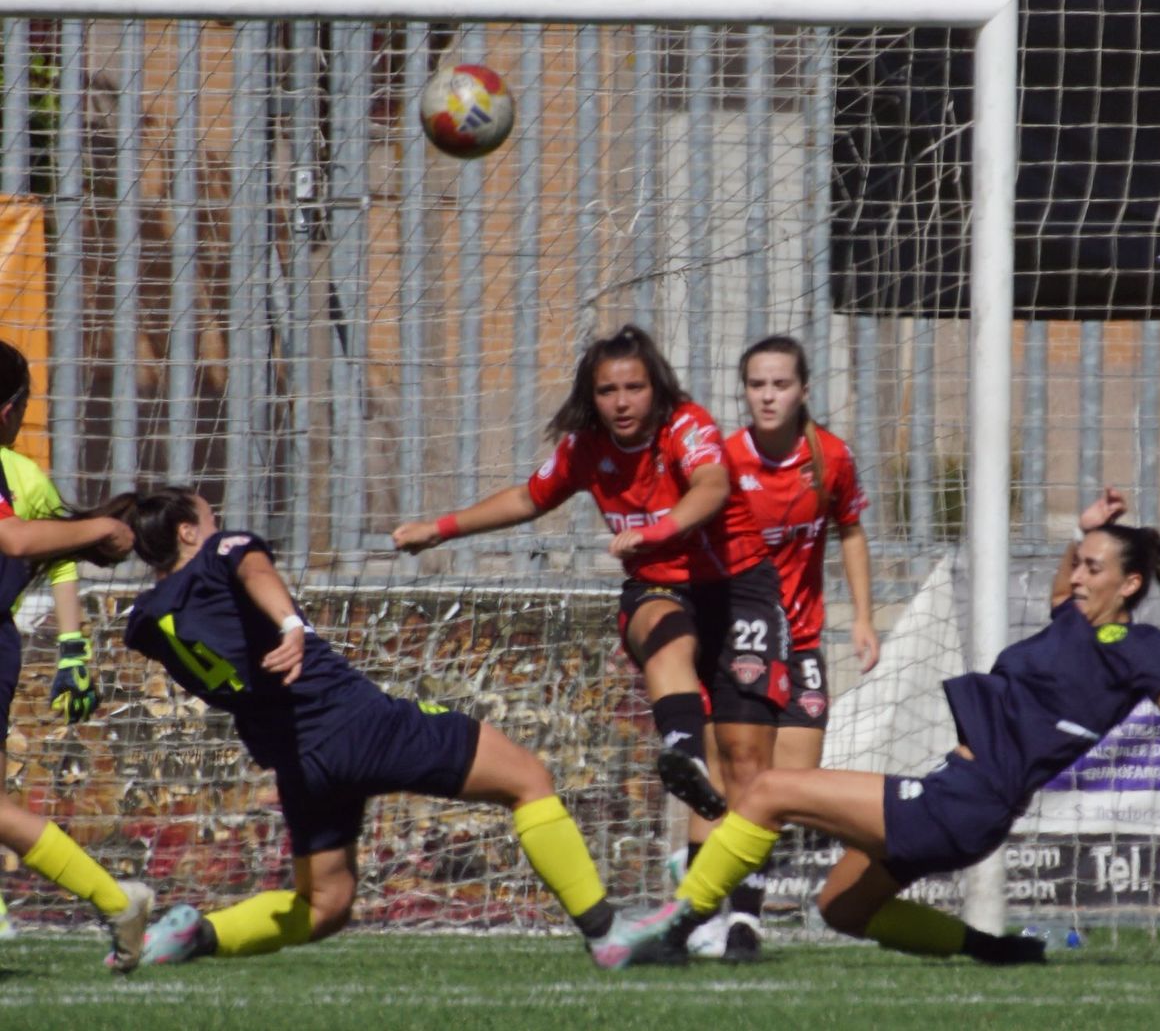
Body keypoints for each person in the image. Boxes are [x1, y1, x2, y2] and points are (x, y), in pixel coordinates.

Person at [601, 489, 1160, 968]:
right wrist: (1083, 530)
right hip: (960, 797)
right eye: (1078, 564)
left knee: (768, 791)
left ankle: (675, 924)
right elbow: (1060, 594)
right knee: (840, 909)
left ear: (1132, 584)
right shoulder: (1073, 622)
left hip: (963, 803)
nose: (1077, 576)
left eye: (1093, 567)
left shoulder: (1142, 652)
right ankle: (993, 949)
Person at [111, 487, 632, 967]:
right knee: (527, 779)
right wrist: (291, 625)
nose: (218, 524)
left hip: (299, 759)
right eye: (208, 517)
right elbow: (255, 571)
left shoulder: (145, 622)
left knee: (325, 905)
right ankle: (607, 935)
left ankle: (196, 935)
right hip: (355, 722)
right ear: (186, 532)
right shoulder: (221, 552)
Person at [392, 325, 791, 833]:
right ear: (591, 396)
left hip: (738, 587)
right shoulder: (585, 448)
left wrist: (660, 529)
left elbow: (711, 485)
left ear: (656, 388)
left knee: (745, 759)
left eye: (634, 388)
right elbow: (527, 499)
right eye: (607, 391)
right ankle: (684, 756)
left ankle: (744, 913)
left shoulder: (686, 427)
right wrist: (440, 529)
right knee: (665, 635)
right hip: (659, 585)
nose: (622, 403)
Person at [679, 335, 879, 961]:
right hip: (737, 636)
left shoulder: (832, 458)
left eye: (780, 384)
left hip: (804, 639)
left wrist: (864, 619)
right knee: (733, 777)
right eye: (757, 385)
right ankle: (716, 916)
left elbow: (850, 530)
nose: (767, 396)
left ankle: (729, 913)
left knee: (788, 785)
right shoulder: (724, 461)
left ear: (803, 390)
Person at [0, 340, 152, 971]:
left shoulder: (18, 476)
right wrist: (96, 529)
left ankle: (117, 900)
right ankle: (119, 901)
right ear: (11, 409)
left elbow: (22, 539)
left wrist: (72, 646)